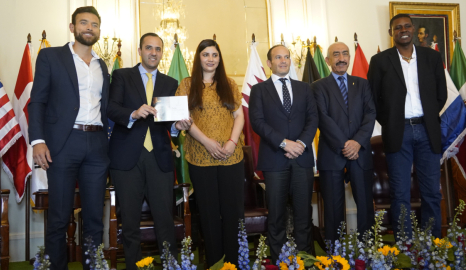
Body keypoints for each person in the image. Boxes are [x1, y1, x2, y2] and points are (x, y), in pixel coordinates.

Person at [28, 6, 109, 269]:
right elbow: (37, 102)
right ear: (72, 27)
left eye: (94, 24)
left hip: (97, 146)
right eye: (83, 23)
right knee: (59, 218)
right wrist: (37, 140)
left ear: (98, 30)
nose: (89, 28)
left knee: (95, 218)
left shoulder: (102, 65)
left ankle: (93, 266)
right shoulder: (51, 57)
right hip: (63, 144)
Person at [107, 32, 192, 269]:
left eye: (158, 49)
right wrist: (133, 114)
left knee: (164, 219)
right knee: (130, 222)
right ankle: (134, 266)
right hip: (126, 159)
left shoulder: (169, 83)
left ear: (162, 53)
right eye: (149, 48)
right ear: (140, 50)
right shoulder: (122, 75)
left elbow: (168, 123)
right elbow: (111, 109)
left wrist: (178, 127)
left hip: (160, 159)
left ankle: (170, 265)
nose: (153, 53)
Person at [367, 14, 447, 239]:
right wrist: (391, 121)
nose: (403, 30)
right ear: (391, 33)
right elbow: (373, 99)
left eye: (406, 26)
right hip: (397, 132)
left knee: (431, 191)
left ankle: (433, 242)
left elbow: (440, 95)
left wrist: (429, 116)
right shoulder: (380, 61)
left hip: (427, 130)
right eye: (397, 27)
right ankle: (406, 244)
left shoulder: (431, 57)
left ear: (413, 29)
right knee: (400, 192)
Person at [175, 39, 245, 266]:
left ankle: (232, 264)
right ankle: (215, 263)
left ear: (219, 58)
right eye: (206, 54)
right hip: (200, 157)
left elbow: (239, 116)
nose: (210, 59)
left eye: (214, 55)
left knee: (232, 214)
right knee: (209, 215)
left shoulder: (230, 84)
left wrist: (232, 142)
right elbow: (184, 119)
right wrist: (208, 143)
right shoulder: (186, 85)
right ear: (198, 58)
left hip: (231, 156)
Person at [249, 45, 318, 262]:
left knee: (303, 214)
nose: (283, 60)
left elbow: (313, 119)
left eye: (286, 57)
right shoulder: (259, 90)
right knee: (276, 215)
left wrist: (300, 143)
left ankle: (305, 258)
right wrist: (283, 143)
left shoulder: (304, 88)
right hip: (274, 159)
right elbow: (257, 122)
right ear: (269, 63)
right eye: (278, 57)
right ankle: (279, 260)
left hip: (302, 158)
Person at [311, 42, 376, 242]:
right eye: (336, 54)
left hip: (360, 153)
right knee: (333, 207)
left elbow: (370, 114)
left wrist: (356, 142)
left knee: (365, 204)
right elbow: (322, 118)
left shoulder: (363, 84)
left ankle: (368, 248)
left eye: (345, 54)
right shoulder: (318, 86)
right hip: (332, 154)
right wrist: (345, 145)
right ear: (328, 60)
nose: (341, 58)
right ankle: (334, 251)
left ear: (349, 58)